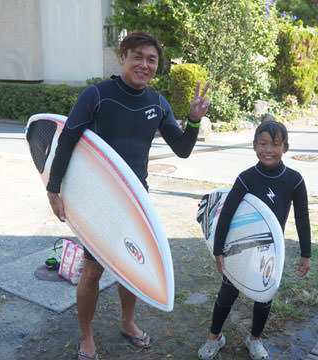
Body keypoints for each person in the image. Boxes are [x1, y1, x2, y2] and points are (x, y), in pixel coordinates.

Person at [46, 32, 210, 360]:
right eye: (138, 56)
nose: (144, 64)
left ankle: (128, 322)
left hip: (136, 202)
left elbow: (182, 150)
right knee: (93, 270)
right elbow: (67, 140)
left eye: (151, 59)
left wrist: (193, 120)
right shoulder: (97, 95)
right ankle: (86, 336)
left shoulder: (157, 103)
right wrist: (54, 189)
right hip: (98, 201)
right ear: (124, 56)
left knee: (131, 266)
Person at [198, 121, 311, 360]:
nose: (268, 150)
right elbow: (226, 213)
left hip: (269, 252)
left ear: (285, 148)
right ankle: (214, 337)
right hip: (241, 248)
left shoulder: (294, 180)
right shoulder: (246, 178)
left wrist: (306, 253)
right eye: (262, 144)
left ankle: (255, 339)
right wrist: (218, 250)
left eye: (275, 144)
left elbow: (302, 217)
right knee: (227, 294)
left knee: (264, 296)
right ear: (254, 146)